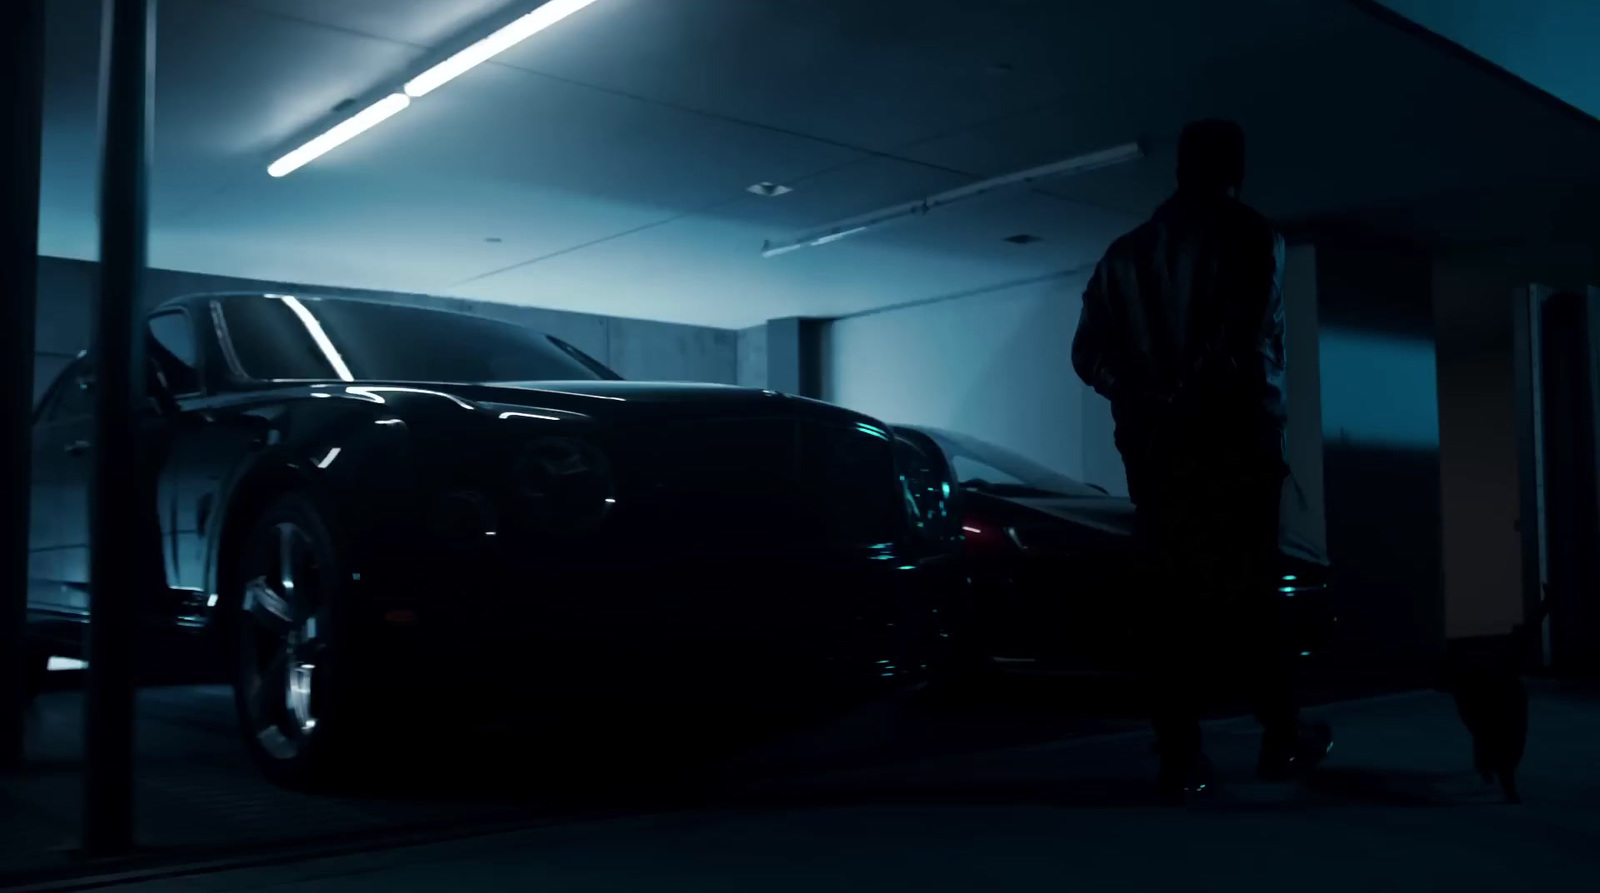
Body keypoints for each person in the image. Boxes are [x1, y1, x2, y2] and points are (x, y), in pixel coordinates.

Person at [1071, 119, 1331, 803]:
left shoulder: (1123, 255)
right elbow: (1238, 344)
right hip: (1233, 445)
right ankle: (1280, 738)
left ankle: (1181, 755)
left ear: (1179, 171)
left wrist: (1139, 394)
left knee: (1170, 601)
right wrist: (1186, 398)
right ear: (1235, 170)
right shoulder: (1252, 236)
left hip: (1154, 455)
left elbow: (1085, 354)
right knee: (1253, 593)